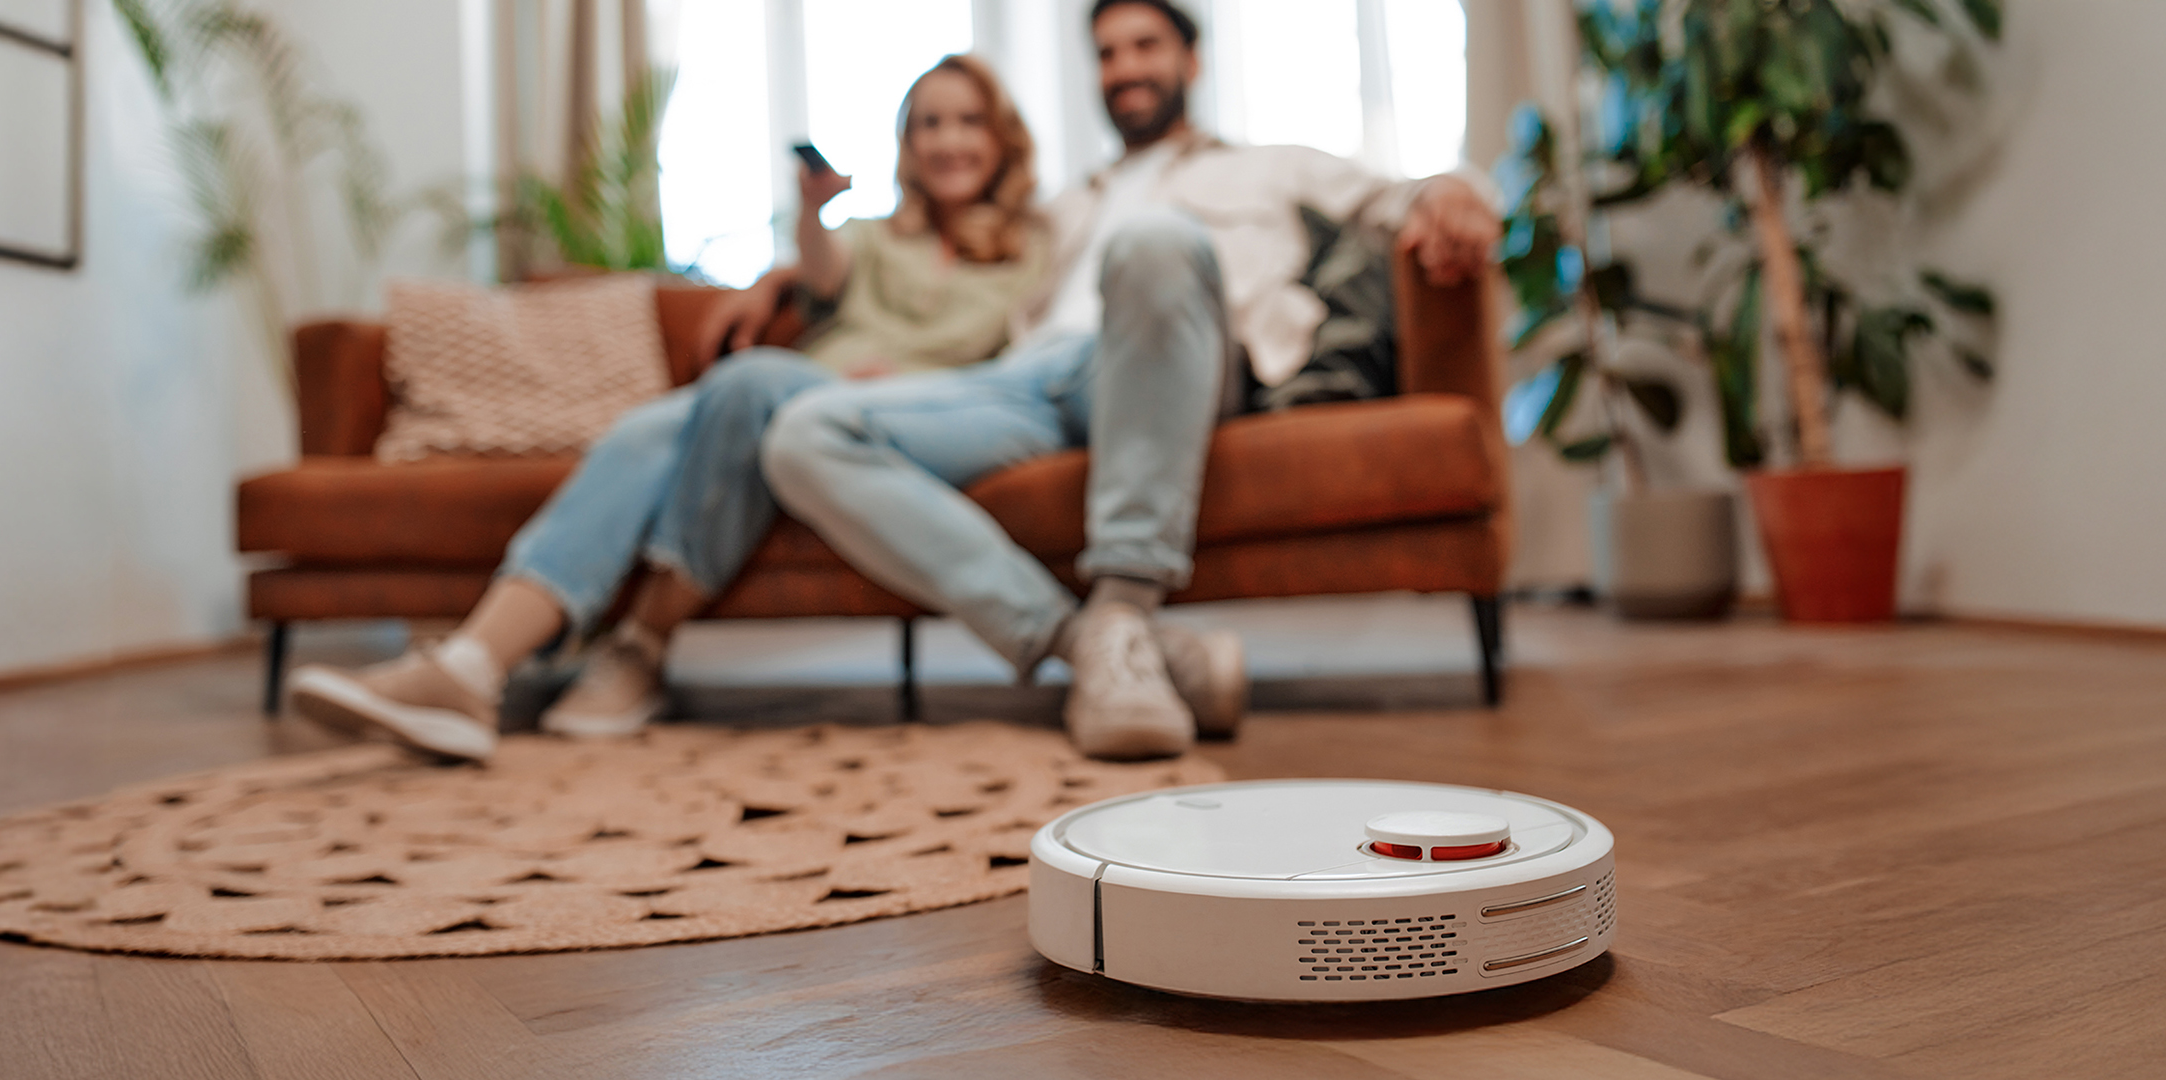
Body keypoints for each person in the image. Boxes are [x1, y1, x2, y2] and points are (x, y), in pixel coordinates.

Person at [758, 0, 1501, 760]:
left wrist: (1453, 194)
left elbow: (1406, 193)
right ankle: (1094, 644)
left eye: (1145, 45)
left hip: (1175, 367)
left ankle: (1126, 596)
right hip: (1033, 380)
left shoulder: (1268, 164)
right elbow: (926, 252)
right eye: (1108, 53)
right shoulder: (1062, 208)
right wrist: (780, 281)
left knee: (1154, 242)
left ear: (1193, 60)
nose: (1126, 67)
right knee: (806, 433)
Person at [286, 55, 1051, 763]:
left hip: (897, 418)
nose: (949, 140)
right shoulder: (879, 238)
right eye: (930, 124)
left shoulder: (1040, 247)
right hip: (800, 393)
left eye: (968, 121)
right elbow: (824, 270)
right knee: (651, 427)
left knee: (743, 384)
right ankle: (474, 663)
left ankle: (628, 648)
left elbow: (1029, 365)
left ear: (1002, 137)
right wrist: (811, 215)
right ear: (907, 146)